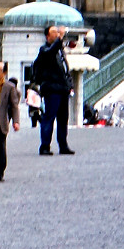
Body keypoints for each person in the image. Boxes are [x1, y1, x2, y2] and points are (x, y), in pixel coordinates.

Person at [32, 25, 74, 156]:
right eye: (54, 33)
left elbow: (65, 69)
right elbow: (50, 52)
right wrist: (60, 38)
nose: (57, 35)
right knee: (49, 117)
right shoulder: (44, 50)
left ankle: (63, 144)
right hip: (52, 89)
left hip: (62, 89)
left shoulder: (60, 50)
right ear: (47, 36)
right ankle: (45, 146)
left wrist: (69, 85)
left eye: (58, 33)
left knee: (63, 118)